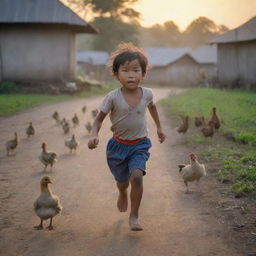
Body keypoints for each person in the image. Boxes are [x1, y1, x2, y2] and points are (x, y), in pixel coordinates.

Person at [88, 43, 166, 231]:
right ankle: (122, 192)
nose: (131, 75)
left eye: (136, 70)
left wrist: (159, 128)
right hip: (118, 147)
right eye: (125, 70)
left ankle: (134, 215)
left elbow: (152, 107)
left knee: (137, 177)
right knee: (123, 182)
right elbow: (98, 119)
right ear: (116, 75)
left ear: (143, 74)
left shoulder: (147, 93)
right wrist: (93, 134)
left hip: (139, 145)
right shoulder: (112, 97)